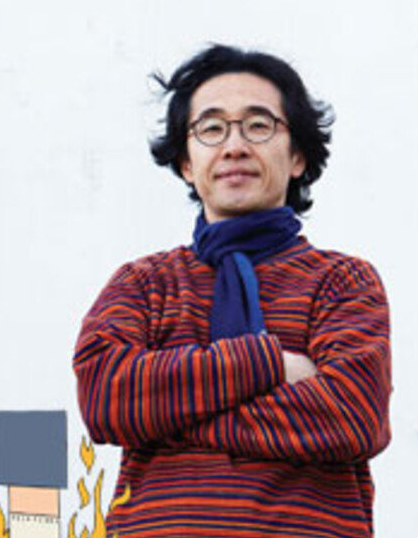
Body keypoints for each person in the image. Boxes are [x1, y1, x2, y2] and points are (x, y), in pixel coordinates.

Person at [73, 44, 391, 538]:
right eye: (211, 128)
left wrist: (165, 415)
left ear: (298, 156)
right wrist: (268, 364)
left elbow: (353, 417)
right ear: (186, 161)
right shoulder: (144, 284)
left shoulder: (343, 282)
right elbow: (105, 401)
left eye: (258, 126)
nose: (234, 146)